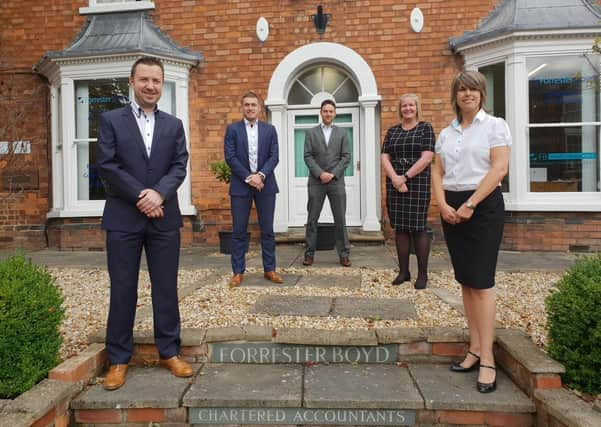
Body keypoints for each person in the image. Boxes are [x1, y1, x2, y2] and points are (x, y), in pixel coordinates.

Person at [97, 56, 193, 390]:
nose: (151, 86)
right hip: (123, 217)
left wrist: (159, 195)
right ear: (132, 82)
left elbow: (179, 166)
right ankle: (119, 359)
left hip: (164, 218)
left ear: (162, 84)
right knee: (123, 288)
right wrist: (142, 195)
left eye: (156, 80)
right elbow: (108, 166)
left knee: (166, 287)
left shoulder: (173, 124)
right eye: (144, 80)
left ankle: (170, 351)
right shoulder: (110, 120)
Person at [431, 70, 511, 393]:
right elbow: (438, 171)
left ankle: (488, 359)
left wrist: (471, 204)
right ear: (456, 96)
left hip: (483, 206)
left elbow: (499, 168)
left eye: (473, 90)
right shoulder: (446, 133)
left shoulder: (495, 126)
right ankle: (474, 349)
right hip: (453, 207)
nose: (467, 94)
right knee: (465, 280)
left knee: (482, 282)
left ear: (481, 94)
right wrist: (442, 204)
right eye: (462, 90)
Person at [224, 91, 283, 287]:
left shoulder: (270, 130)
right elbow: (230, 157)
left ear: (259, 108)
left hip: (265, 185)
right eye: (247, 105)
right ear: (242, 107)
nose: (250, 108)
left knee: (267, 230)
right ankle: (238, 272)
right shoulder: (232, 130)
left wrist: (261, 176)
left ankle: (270, 269)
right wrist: (250, 178)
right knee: (239, 230)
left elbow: (274, 157)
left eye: (253, 105)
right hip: (241, 185)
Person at [381, 94, 435, 289]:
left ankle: (422, 275)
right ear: (400, 109)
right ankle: (403, 272)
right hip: (394, 182)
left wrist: (405, 177)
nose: (408, 109)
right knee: (401, 228)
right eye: (404, 106)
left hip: (417, 183)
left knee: (418, 228)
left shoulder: (425, 128)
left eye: (411, 105)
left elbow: (427, 157)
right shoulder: (393, 131)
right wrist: (395, 178)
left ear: (417, 107)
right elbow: (385, 157)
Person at [303, 99, 352, 267]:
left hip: (336, 181)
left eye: (331, 111)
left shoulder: (342, 133)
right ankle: (309, 253)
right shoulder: (311, 133)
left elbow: (346, 157)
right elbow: (307, 156)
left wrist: (332, 174)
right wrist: (320, 173)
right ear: (321, 112)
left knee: (340, 219)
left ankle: (344, 254)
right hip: (316, 182)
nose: (328, 114)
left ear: (335, 113)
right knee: (312, 219)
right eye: (325, 111)